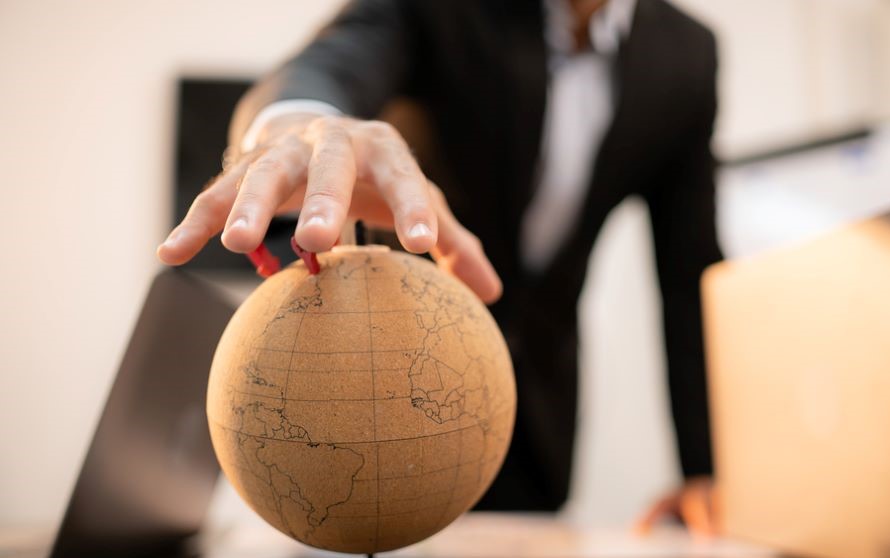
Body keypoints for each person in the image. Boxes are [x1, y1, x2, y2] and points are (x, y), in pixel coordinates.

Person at [158, 0, 721, 535]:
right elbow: (332, 61)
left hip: (531, 418)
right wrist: (297, 128)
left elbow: (688, 275)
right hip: (363, 406)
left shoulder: (687, 54)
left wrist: (708, 469)